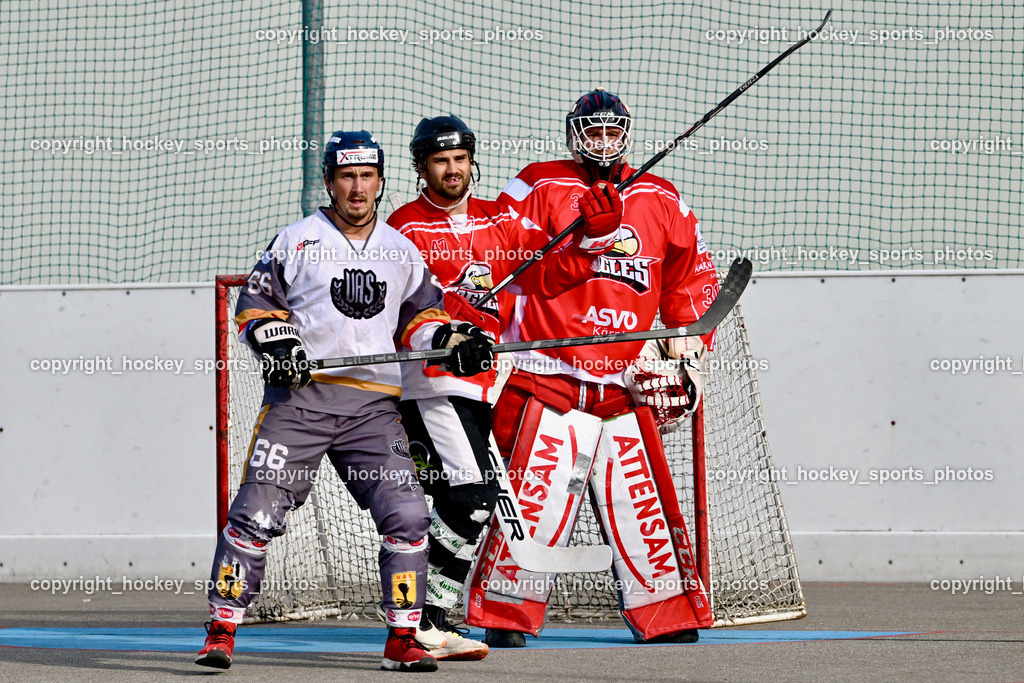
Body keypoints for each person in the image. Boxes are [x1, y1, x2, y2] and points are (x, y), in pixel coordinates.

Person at [194, 130, 493, 673]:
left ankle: (404, 638)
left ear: (381, 181)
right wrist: (276, 341)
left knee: (406, 514)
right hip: (301, 402)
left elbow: (422, 322)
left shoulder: (401, 250)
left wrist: (454, 345)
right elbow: (256, 305)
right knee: (255, 515)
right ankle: (221, 629)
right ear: (330, 181)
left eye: (367, 177)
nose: (358, 188)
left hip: (373, 407)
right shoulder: (297, 239)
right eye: (347, 176)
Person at [464, 89, 721, 647]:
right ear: (574, 133)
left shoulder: (660, 196)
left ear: (625, 133)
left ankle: (667, 611)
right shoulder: (539, 185)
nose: (602, 141)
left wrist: (686, 351)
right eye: (592, 131)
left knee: (642, 505)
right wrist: (583, 243)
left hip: (625, 381)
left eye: (612, 131)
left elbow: (689, 279)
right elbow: (506, 263)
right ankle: (504, 613)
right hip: (551, 373)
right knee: (532, 502)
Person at [386, 115, 622, 660]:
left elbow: (552, 270)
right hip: (431, 382)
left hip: (483, 384)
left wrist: (594, 234)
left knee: (465, 500)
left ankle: (424, 616)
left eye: (460, 159)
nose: (452, 170)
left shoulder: (502, 219)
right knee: (470, 496)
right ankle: (425, 615)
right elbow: (400, 307)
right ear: (422, 168)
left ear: (472, 161)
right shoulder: (404, 227)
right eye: (440, 161)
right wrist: (445, 329)